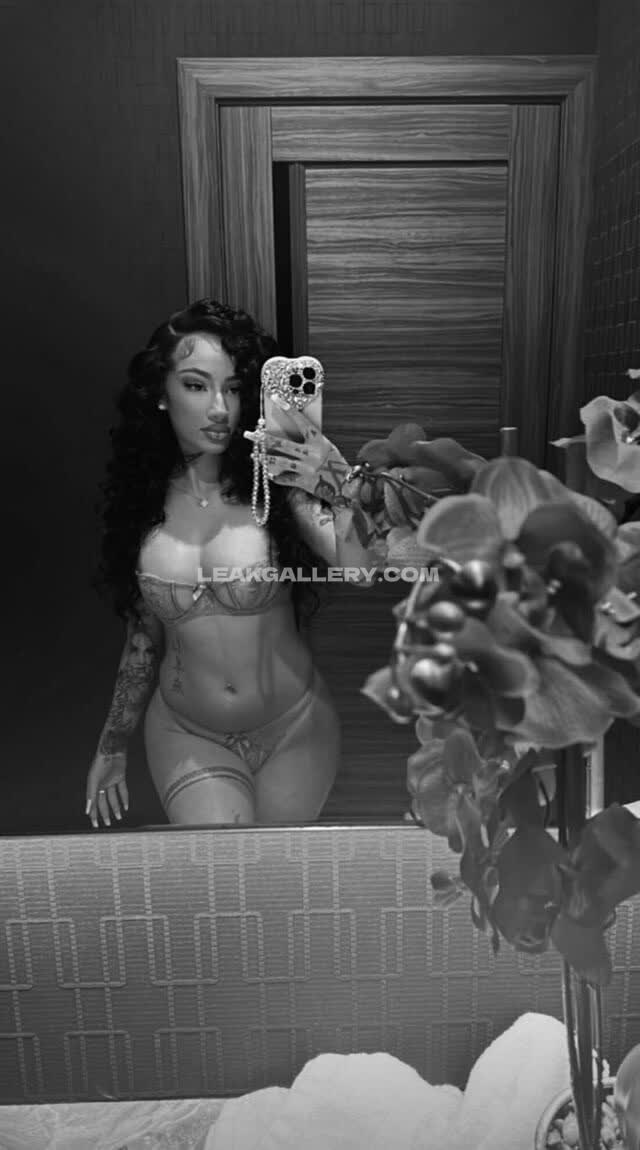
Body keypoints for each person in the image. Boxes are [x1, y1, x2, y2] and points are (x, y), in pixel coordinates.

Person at [86, 299, 390, 829]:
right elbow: (143, 640)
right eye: (196, 385)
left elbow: (360, 570)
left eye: (232, 388)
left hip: (295, 727)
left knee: (276, 875)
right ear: (161, 392)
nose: (219, 408)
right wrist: (111, 745)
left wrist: (335, 479)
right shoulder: (140, 504)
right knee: (225, 870)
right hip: (187, 732)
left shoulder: (274, 487)